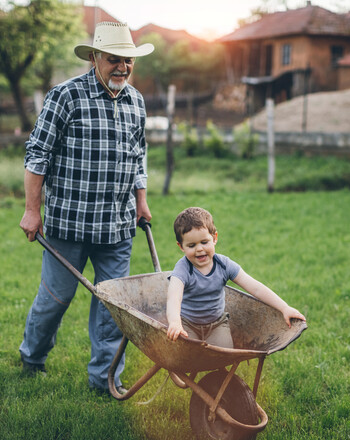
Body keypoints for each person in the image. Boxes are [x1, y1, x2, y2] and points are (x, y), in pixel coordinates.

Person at [18, 22, 154, 394]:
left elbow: (137, 154)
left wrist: (141, 201)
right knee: (54, 300)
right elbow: (37, 153)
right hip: (69, 224)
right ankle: (32, 356)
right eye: (114, 60)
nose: (123, 68)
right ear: (94, 58)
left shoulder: (136, 100)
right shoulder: (66, 96)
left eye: (128, 61)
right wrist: (32, 210)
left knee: (114, 308)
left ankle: (103, 379)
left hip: (117, 227)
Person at [166, 207, 306, 347]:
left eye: (204, 242)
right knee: (186, 352)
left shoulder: (223, 265)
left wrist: (284, 308)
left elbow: (255, 288)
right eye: (191, 245)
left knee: (224, 354)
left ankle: (220, 368)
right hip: (187, 324)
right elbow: (174, 297)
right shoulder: (183, 268)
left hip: (217, 324)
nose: (199, 249)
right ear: (181, 247)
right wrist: (175, 322)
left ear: (214, 238)